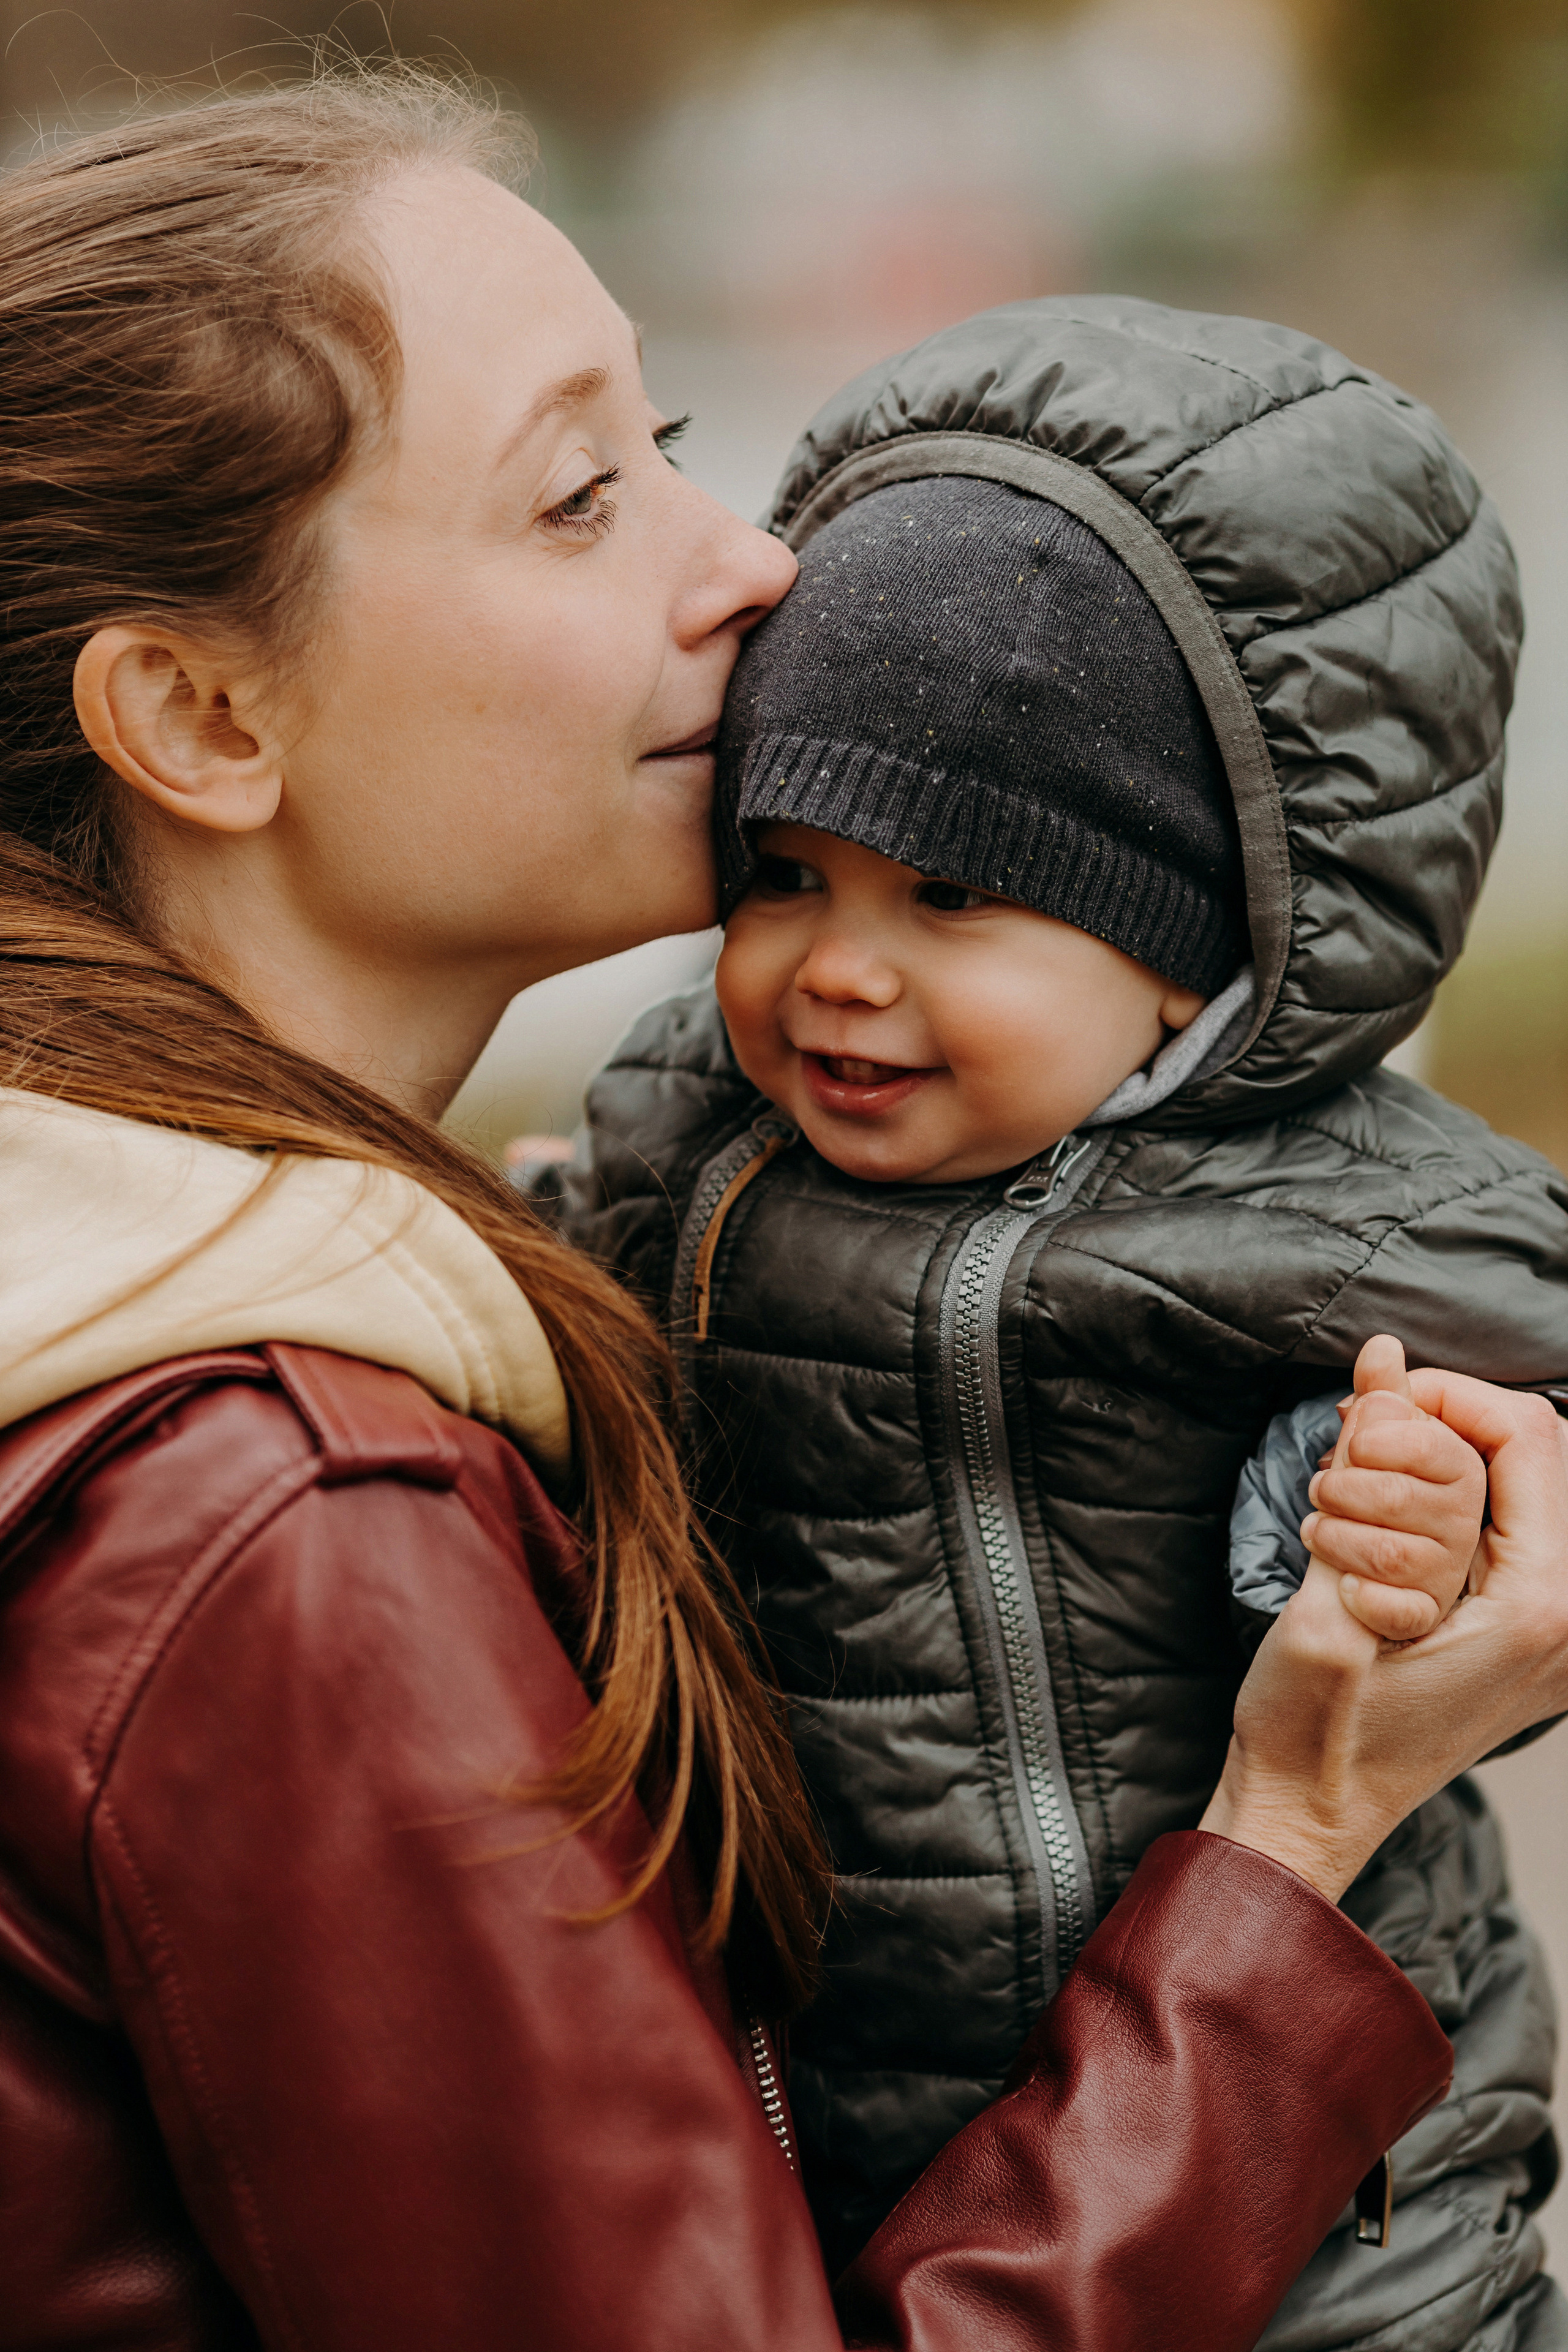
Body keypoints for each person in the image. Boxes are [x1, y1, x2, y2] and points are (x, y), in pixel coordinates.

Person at [0, 72, 1564, 2352]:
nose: (751, 563)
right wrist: (1299, 1840)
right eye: (580, 494)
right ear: (199, 716)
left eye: (671, 439)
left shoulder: (175, 1266)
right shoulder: (280, 1510)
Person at [538, 298, 1568, 2344]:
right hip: (862, 2141)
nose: (841, 969)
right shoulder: (689, 1143)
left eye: (952, 898)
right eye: (785, 874)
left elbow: (1516, 1458)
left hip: (1328, 2199)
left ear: (1197, 952)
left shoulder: (1360, 1221)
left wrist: (1379, 1517)